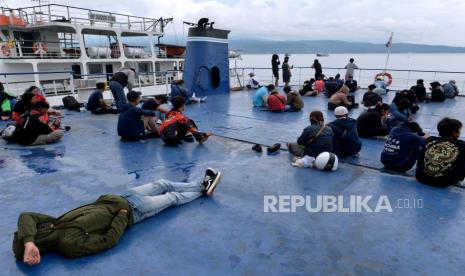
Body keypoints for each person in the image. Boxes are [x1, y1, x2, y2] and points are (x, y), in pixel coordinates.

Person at [12, 168, 222, 264]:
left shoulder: (53, 224)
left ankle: (200, 185)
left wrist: (28, 241)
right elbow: (108, 241)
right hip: (132, 211)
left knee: (162, 183)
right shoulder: (68, 245)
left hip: (117, 199)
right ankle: (202, 187)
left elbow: (26, 216)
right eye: (28, 238)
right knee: (172, 197)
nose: (29, 233)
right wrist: (122, 215)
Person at [416, 118, 465, 187]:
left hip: (421, 177)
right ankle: (458, 180)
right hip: (444, 182)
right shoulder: (462, 145)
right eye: (459, 130)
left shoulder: (430, 140)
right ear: (454, 133)